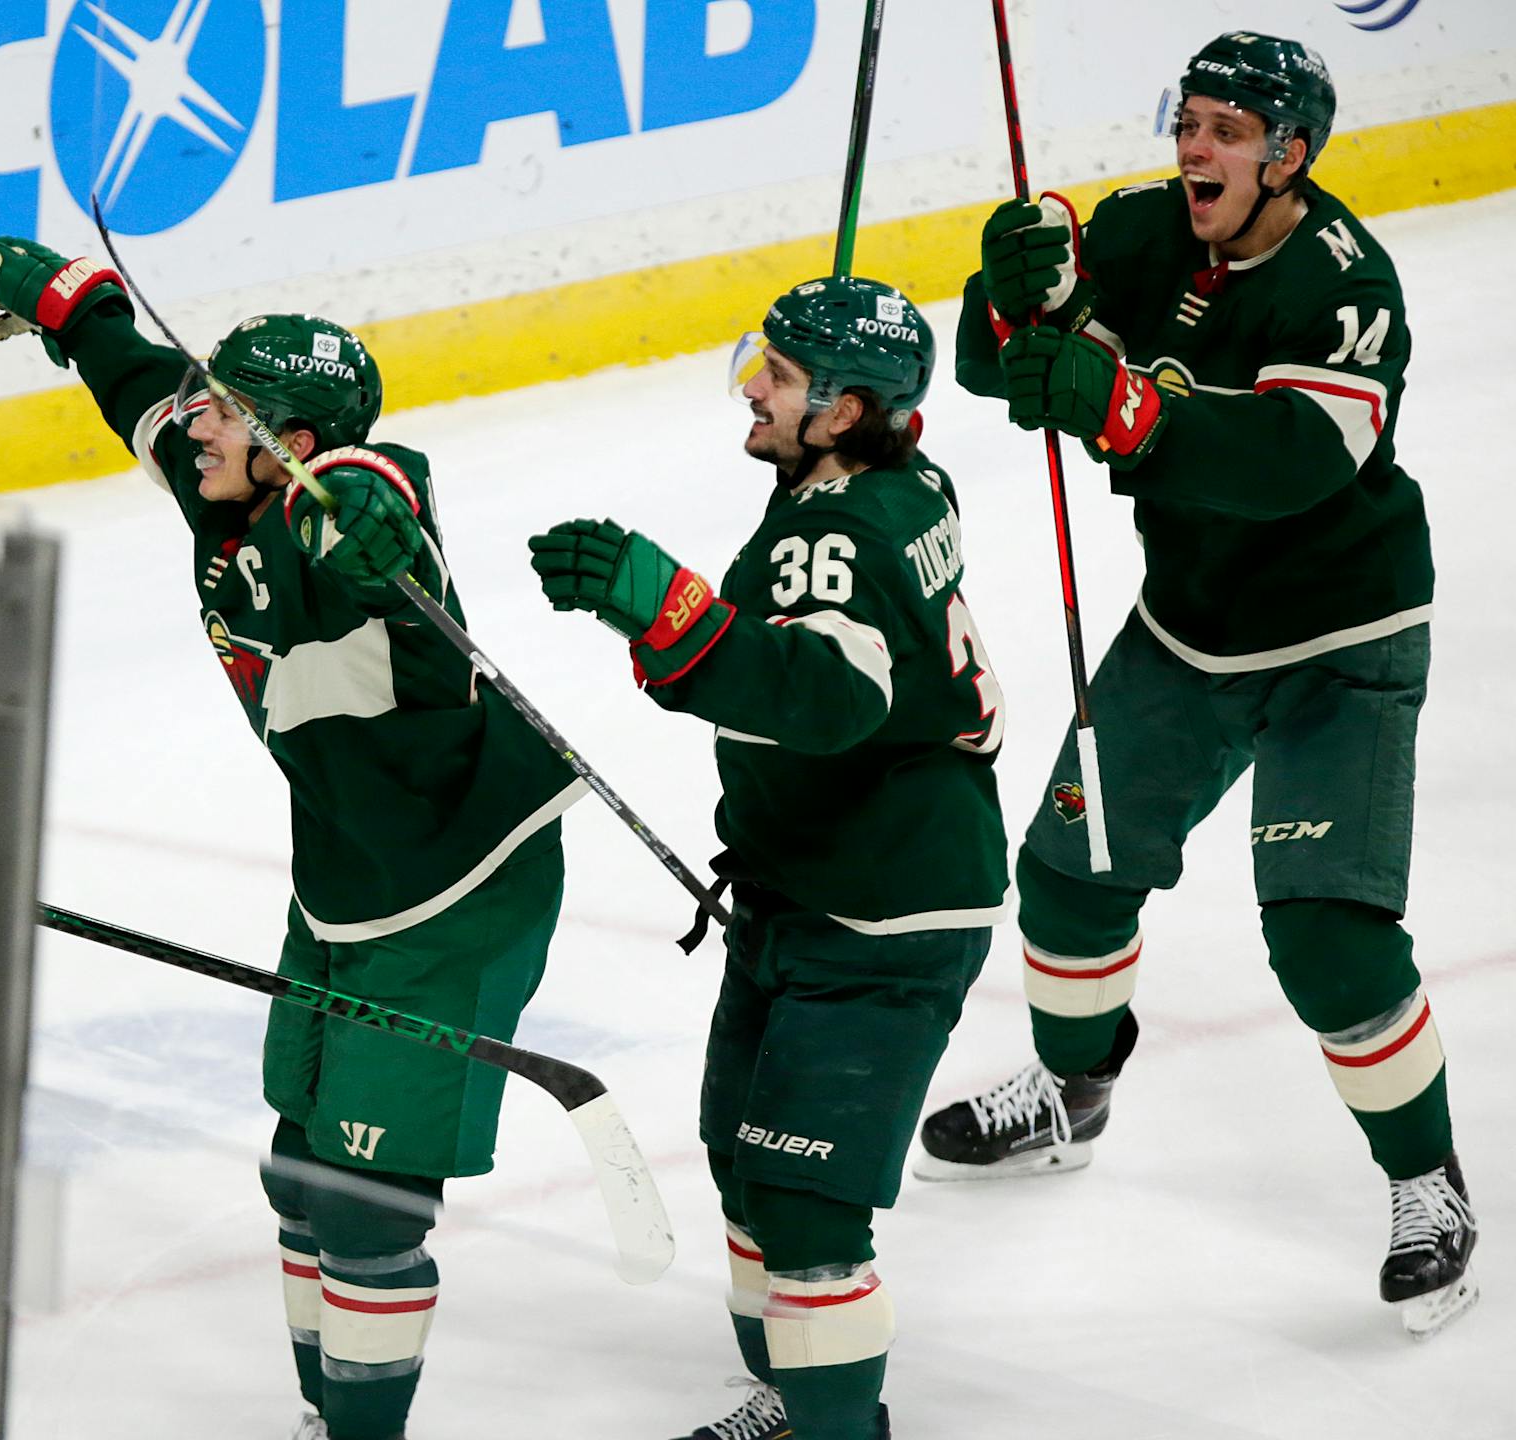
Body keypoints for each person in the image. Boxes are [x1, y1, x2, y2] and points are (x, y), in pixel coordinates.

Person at [0, 237, 586, 1439]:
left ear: (295, 447)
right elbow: (136, 381)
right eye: (210, 395)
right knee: (299, 1175)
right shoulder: (222, 479)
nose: (198, 423)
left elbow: (380, 492)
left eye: (231, 410)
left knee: (362, 1208)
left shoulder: (350, 507)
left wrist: (364, 518)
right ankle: (326, 1418)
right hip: (346, 878)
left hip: (453, 889)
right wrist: (63, 302)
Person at [918, 31, 1478, 1337]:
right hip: (1191, 627)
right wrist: (1004, 296)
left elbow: (1296, 460)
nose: (1197, 148)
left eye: (1229, 130)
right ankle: (1074, 1088)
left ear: (1291, 153)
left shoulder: (1345, 282)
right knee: (1068, 870)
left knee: (1328, 932)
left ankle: (1427, 1182)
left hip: (1347, 637)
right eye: (1191, 122)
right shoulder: (1134, 233)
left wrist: (1122, 409)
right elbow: (997, 367)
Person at [530, 276, 1008, 1440]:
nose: (753, 385)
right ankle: (799, 1402)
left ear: (844, 413)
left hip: (882, 909)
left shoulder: (841, 527)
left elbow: (832, 696)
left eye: (782, 378)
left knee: (803, 1204)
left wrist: (669, 610)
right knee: (745, 1161)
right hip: (803, 888)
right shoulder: (887, 479)